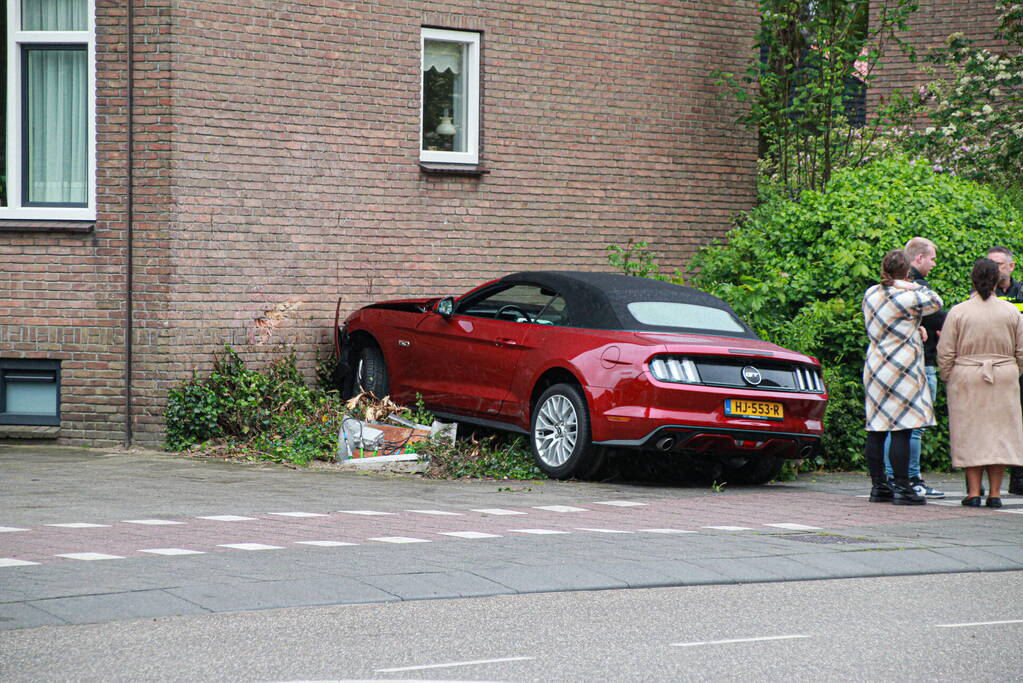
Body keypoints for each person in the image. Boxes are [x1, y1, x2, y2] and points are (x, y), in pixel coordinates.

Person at [937, 258, 1023, 507]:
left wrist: (949, 375)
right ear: (997, 280)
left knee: (970, 432)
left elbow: (946, 352)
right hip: (1003, 375)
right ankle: (995, 494)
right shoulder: (1011, 312)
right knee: (1000, 434)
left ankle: (973, 492)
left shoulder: (959, 311)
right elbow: (1021, 350)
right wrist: (1011, 370)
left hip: (967, 375)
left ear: (973, 280)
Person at [862, 249, 943, 505]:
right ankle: (903, 488)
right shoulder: (909, 295)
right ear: (907, 271)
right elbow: (936, 300)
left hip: (875, 364)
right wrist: (909, 283)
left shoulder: (871, 293)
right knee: (903, 428)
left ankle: (879, 487)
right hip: (903, 366)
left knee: (876, 428)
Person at [883, 237, 946, 498]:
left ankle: (889, 478)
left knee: (889, 425)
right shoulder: (916, 291)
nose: (933, 263)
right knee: (913, 427)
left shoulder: (879, 293)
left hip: (887, 366)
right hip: (918, 364)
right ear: (918, 259)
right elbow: (939, 311)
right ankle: (910, 478)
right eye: (931, 258)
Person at [987, 245, 1023, 496]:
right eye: (990, 264)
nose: (994, 269)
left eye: (999, 264)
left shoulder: (1021, 291)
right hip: (993, 367)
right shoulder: (980, 294)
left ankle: (1018, 479)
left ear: (1011, 266)